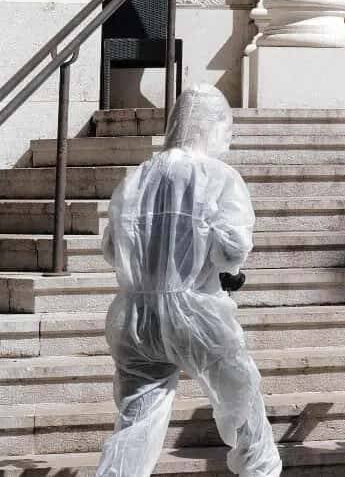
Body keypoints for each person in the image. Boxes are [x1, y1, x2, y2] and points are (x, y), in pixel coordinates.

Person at [96, 84, 280, 477]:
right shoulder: (219, 176)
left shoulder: (136, 178)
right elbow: (232, 251)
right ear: (212, 127)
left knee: (136, 424)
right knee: (243, 405)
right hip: (197, 313)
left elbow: (112, 248)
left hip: (135, 318)